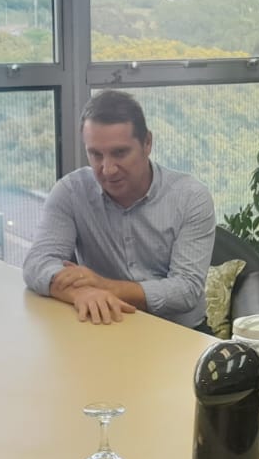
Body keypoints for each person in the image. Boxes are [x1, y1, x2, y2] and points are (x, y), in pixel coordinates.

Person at [23, 90, 216, 327]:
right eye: (95, 154)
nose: (108, 169)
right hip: (107, 325)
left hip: (180, 332)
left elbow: (185, 290)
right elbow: (36, 263)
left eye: (120, 153)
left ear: (147, 143)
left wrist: (104, 286)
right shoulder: (71, 191)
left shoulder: (191, 197)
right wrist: (81, 293)